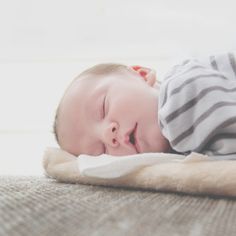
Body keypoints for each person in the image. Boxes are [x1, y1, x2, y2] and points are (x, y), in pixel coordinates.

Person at [53, 52, 236, 158]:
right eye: (101, 151)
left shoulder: (178, 96)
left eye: (103, 108)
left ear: (141, 74)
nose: (108, 134)